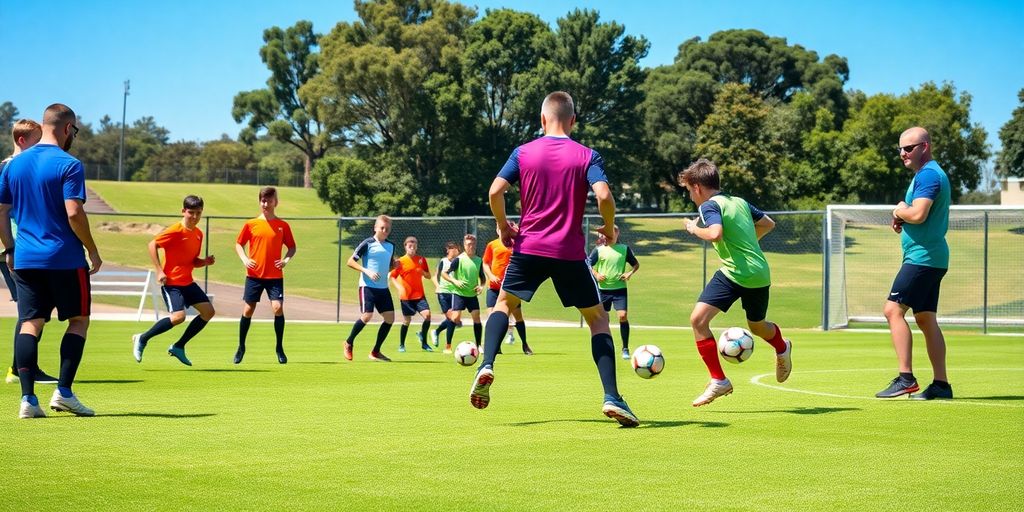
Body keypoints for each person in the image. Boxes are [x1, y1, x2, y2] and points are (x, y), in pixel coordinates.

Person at [470, 91, 639, 428]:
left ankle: (487, 363)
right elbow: (604, 194)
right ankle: (611, 396)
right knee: (597, 320)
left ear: (542, 119)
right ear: (573, 120)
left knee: (503, 305)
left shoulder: (523, 152)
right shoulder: (587, 155)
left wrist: (503, 227)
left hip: (528, 247)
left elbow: (494, 191)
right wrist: (607, 227)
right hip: (569, 253)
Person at [0, 103, 102, 418]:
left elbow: (1, 211)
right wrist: (92, 249)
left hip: (26, 259)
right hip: (65, 257)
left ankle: (28, 400)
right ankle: (65, 393)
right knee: (79, 321)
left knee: (30, 323)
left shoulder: (13, 166)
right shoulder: (69, 164)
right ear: (68, 128)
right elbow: (74, 212)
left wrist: (11, 248)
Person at [680, 158, 793, 407]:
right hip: (758, 273)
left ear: (697, 187)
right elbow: (768, 223)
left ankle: (719, 380)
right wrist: (748, 245)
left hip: (735, 273)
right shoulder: (738, 201)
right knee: (757, 326)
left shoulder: (708, 206)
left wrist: (692, 228)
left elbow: (714, 233)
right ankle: (782, 346)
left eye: (689, 191)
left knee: (698, 321)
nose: (690, 197)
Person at [876, 127, 953, 400]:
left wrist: (899, 209)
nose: (902, 154)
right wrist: (902, 216)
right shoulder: (927, 175)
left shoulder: (929, 175)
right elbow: (917, 215)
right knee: (925, 318)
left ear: (925, 146)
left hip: (922, 258)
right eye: (900, 149)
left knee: (892, 310)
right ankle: (941, 385)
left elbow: (919, 214)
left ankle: (906, 378)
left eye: (908, 148)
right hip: (932, 258)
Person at [2, 119, 58, 385]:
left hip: (21, 247)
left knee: (34, 311)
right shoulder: (13, 167)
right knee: (31, 313)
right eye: (38, 139)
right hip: (17, 247)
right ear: (23, 141)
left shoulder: (15, 166)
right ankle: (20, 368)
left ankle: (23, 366)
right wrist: (9, 247)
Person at [131, 195, 216, 366]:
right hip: (172, 283)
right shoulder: (175, 230)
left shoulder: (198, 234)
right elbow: (152, 245)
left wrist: (204, 262)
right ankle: (142, 338)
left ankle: (178, 346)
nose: (194, 217)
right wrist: (159, 270)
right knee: (178, 317)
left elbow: (193, 261)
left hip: (188, 282)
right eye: (191, 212)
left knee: (208, 312)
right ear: (183, 211)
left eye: (198, 213)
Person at [233, 186, 296, 364]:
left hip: (275, 276)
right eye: (262, 200)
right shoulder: (251, 224)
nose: (265, 203)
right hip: (253, 275)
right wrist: (244, 259)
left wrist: (285, 260)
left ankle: (279, 348)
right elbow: (239, 244)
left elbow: (292, 247)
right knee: (248, 309)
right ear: (259, 202)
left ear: (276, 202)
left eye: (269, 200)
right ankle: (241, 347)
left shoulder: (283, 226)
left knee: (277, 308)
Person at [344, 215, 398, 362]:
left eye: (387, 229)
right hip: (367, 286)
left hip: (383, 288)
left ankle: (375, 352)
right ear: (375, 228)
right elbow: (350, 262)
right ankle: (349, 342)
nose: (384, 230)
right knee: (367, 316)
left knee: (390, 319)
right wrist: (366, 271)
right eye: (382, 228)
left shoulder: (391, 246)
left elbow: (387, 266)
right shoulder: (367, 243)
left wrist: (394, 265)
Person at [587, 226, 639, 360]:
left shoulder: (624, 249)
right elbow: (587, 264)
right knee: (603, 320)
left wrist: (629, 273)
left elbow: (635, 264)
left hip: (619, 289)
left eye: (610, 234)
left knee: (622, 316)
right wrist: (596, 274)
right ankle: (606, 348)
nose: (607, 237)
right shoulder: (599, 250)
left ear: (617, 234)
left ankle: (625, 348)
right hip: (603, 290)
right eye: (605, 235)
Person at [482, 230, 532, 355]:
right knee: (492, 316)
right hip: (494, 287)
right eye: (499, 227)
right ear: (497, 229)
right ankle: (496, 347)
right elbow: (485, 263)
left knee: (518, 317)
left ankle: (525, 344)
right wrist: (491, 276)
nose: (501, 230)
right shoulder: (492, 245)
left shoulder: (515, 244)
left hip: (511, 287)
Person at [388, 236, 433, 353]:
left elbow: (428, 276)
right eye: (410, 246)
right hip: (406, 297)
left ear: (417, 247)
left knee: (427, 316)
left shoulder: (421, 260)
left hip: (419, 296)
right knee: (407, 321)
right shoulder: (400, 262)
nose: (412, 248)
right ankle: (401, 345)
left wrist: (423, 272)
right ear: (405, 247)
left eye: (414, 246)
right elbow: (392, 276)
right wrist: (399, 287)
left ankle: (424, 343)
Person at [442, 234, 486, 352]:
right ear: (464, 246)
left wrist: (481, 286)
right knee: (455, 317)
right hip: (459, 294)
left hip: (472, 295)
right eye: (468, 244)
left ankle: (478, 345)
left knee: (476, 318)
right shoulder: (459, 259)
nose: (470, 246)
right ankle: (448, 346)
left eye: (472, 244)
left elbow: (482, 278)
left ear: (475, 245)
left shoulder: (478, 260)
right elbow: (444, 273)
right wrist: (454, 281)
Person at [431, 241, 460, 353]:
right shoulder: (443, 261)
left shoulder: (458, 262)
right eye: (453, 249)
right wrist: (438, 286)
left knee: (452, 319)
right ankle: (448, 346)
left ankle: (437, 332)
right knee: (452, 319)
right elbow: (434, 277)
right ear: (448, 250)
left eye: (457, 249)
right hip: (443, 293)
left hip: (454, 293)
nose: (456, 251)